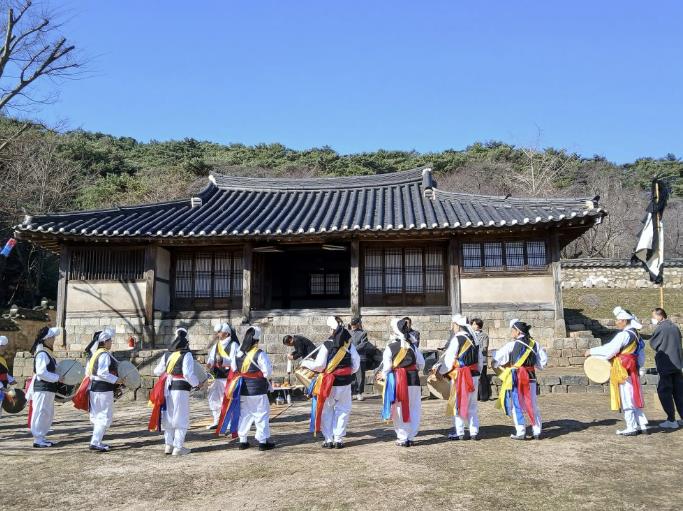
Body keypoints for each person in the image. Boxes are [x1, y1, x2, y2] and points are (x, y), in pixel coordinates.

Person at [585, 307, 649, 436]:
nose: (616, 322)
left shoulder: (624, 335)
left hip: (622, 368)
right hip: (632, 368)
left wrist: (592, 351)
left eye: (618, 320)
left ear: (624, 321)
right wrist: (638, 366)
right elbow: (641, 355)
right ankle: (642, 424)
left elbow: (610, 350)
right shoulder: (636, 335)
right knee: (634, 395)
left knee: (626, 397)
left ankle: (631, 426)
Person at [302, 316, 360, 449]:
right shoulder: (349, 345)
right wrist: (346, 373)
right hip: (345, 384)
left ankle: (328, 439)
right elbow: (356, 364)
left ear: (332, 330)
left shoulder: (326, 345)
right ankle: (338, 439)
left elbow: (319, 365)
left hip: (328, 384)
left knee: (327, 410)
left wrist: (306, 363)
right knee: (343, 410)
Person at [493, 319, 547, 440]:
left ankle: (521, 432)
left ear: (518, 331)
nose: (511, 332)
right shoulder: (535, 344)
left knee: (516, 404)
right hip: (531, 377)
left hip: (515, 378)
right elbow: (542, 362)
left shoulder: (511, 345)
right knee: (532, 404)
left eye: (512, 330)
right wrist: (532, 364)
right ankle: (537, 431)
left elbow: (497, 359)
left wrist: (499, 365)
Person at [150, 328, 200, 456]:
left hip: (167, 389)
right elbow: (187, 374)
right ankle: (178, 447)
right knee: (181, 417)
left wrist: (169, 374)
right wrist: (197, 383)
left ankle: (168, 445)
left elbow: (157, 371)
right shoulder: (186, 355)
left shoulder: (167, 354)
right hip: (181, 390)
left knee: (169, 417)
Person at [379, 318, 425, 447]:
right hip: (414, 380)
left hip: (398, 381)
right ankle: (411, 436)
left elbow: (387, 367)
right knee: (414, 408)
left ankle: (402, 437)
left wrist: (383, 375)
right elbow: (421, 364)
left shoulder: (390, 347)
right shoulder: (413, 346)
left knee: (399, 408)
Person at [230, 326, 275, 451]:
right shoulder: (259, 353)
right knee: (261, 414)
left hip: (243, 389)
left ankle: (243, 441)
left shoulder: (238, 353)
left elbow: (234, 368)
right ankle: (262, 442)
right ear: (257, 340)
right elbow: (267, 373)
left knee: (244, 415)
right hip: (258, 389)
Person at [438, 315, 482, 441]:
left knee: (457, 403)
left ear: (457, 325)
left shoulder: (457, 339)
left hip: (460, 375)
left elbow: (449, 359)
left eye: (453, 325)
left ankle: (460, 432)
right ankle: (474, 432)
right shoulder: (474, 338)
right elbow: (480, 359)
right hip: (474, 375)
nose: (452, 327)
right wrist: (478, 373)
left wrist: (441, 371)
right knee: (472, 405)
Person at [83, 329, 120, 452]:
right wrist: (117, 380)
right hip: (103, 390)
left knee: (98, 415)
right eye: (110, 340)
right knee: (104, 415)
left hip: (94, 389)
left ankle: (96, 441)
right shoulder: (104, 354)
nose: (111, 342)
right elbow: (102, 373)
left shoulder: (95, 354)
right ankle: (95, 442)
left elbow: (88, 372)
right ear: (104, 342)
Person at [26, 326, 62, 448]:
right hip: (42, 388)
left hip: (48, 388)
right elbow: (41, 372)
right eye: (52, 338)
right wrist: (57, 378)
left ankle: (41, 437)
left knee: (47, 413)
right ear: (45, 339)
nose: (54, 340)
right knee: (41, 412)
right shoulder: (42, 353)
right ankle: (37, 439)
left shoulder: (47, 353)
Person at [649, 307, 683, 429]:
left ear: (660, 316)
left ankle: (671, 419)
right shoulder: (675, 327)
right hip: (677, 364)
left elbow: (653, 343)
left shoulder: (661, 328)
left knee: (664, 392)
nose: (652, 319)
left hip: (666, 365)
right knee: (679, 393)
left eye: (653, 316)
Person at [206, 323, 239, 430]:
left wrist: (223, 360)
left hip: (228, 377)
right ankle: (217, 420)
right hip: (217, 376)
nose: (218, 334)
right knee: (214, 398)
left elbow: (235, 362)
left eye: (220, 332)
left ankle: (228, 421)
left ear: (227, 333)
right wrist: (209, 363)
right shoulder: (216, 345)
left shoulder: (234, 345)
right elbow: (212, 358)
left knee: (227, 399)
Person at [350, 317, 372, 401]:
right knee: (351, 375)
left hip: (360, 357)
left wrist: (354, 349)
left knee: (360, 376)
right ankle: (351, 393)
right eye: (352, 324)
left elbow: (364, 343)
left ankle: (359, 392)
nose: (353, 326)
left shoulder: (363, 333)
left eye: (354, 324)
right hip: (350, 357)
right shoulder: (348, 332)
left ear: (358, 324)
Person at [471, 318, 491, 401]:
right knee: (475, 378)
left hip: (482, 359)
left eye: (474, 324)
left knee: (482, 377)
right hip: (473, 360)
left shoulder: (484, 335)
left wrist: (475, 349)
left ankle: (484, 396)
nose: (473, 326)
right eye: (472, 324)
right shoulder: (470, 335)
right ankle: (476, 396)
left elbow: (484, 347)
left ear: (478, 325)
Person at [0, 335, 16, 418]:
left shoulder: (2, 359)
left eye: (4, 346)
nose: (4, 349)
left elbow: (4, 372)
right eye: (1, 346)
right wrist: (2, 387)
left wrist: (11, 380)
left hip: (3, 387)